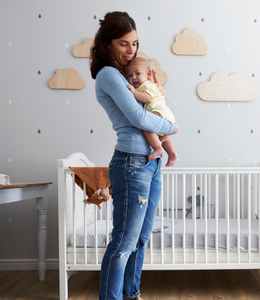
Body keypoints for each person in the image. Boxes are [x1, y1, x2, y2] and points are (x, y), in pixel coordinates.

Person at [90, 11, 178, 300]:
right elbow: (139, 115)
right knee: (123, 242)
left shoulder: (129, 75)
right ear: (107, 44)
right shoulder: (109, 75)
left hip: (150, 163)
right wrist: (171, 127)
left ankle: (131, 294)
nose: (131, 50)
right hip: (131, 164)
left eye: (135, 43)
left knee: (140, 239)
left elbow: (154, 100)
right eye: (124, 44)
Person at [126, 57, 178, 167]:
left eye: (137, 73)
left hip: (158, 111)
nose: (134, 77)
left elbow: (148, 98)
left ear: (148, 75)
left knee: (146, 125)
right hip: (167, 114)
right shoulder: (151, 85)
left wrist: (134, 92)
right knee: (165, 138)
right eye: (130, 75)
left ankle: (157, 148)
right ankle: (172, 153)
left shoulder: (146, 85)